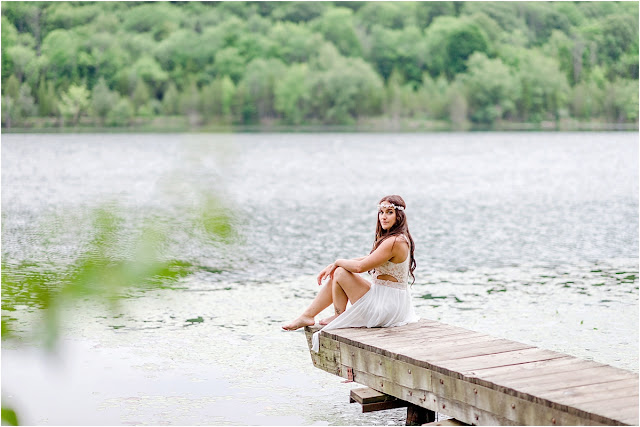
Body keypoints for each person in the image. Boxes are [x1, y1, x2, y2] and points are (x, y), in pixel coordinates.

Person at [282, 195, 420, 352]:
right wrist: (335, 264)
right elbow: (368, 259)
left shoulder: (394, 242)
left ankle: (328, 315)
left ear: (399, 216)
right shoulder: (396, 238)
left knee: (341, 272)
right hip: (391, 302)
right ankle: (310, 315)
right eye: (381, 212)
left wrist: (338, 262)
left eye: (389, 212)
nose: (384, 217)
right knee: (339, 270)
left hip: (386, 308)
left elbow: (360, 267)